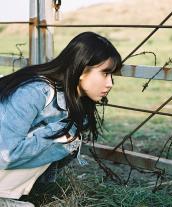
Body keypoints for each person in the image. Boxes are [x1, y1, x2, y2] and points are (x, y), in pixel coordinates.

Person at [0, 31, 122, 206]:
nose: (110, 83)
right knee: (63, 135)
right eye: (104, 73)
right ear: (82, 69)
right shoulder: (35, 92)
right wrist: (63, 137)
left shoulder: (76, 102)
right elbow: (4, 154)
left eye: (112, 75)